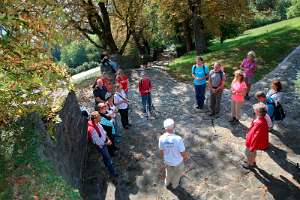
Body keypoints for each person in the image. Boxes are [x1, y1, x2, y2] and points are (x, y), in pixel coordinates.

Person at [159, 118, 189, 189]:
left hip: (167, 161)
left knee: (168, 173)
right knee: (177, 174)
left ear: (165, 128)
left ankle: (166, 183)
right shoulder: (178, 139)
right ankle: (174, 185)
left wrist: (164, 160)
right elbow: (183, 152)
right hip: (178, 162)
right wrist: (185, 158)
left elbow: (161, 151)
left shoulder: (161, 138)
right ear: (174, 127)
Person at [87, 111, 118, 177]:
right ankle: (113, 172)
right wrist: (107, 142)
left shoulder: (97, 123)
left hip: (105, 143)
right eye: (99, 116)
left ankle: (106, 164)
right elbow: (97, 142)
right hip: (102, 146)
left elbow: (104, 132)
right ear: (95, 119)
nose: (100, 117)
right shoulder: (92, 129)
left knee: (106, 158)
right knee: (108, 158)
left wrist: (108, 139)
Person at [243, 103, 269, 170]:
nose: (254, 111)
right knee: (252, 152)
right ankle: (252, 161)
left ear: (258, 112)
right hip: (252, 140)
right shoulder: (261, 119)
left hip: (252, 142)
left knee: (248, 152)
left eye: (254, 110)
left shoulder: (259, 123)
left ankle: (250, 164)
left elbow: (256, 135)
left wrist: (253, 145)